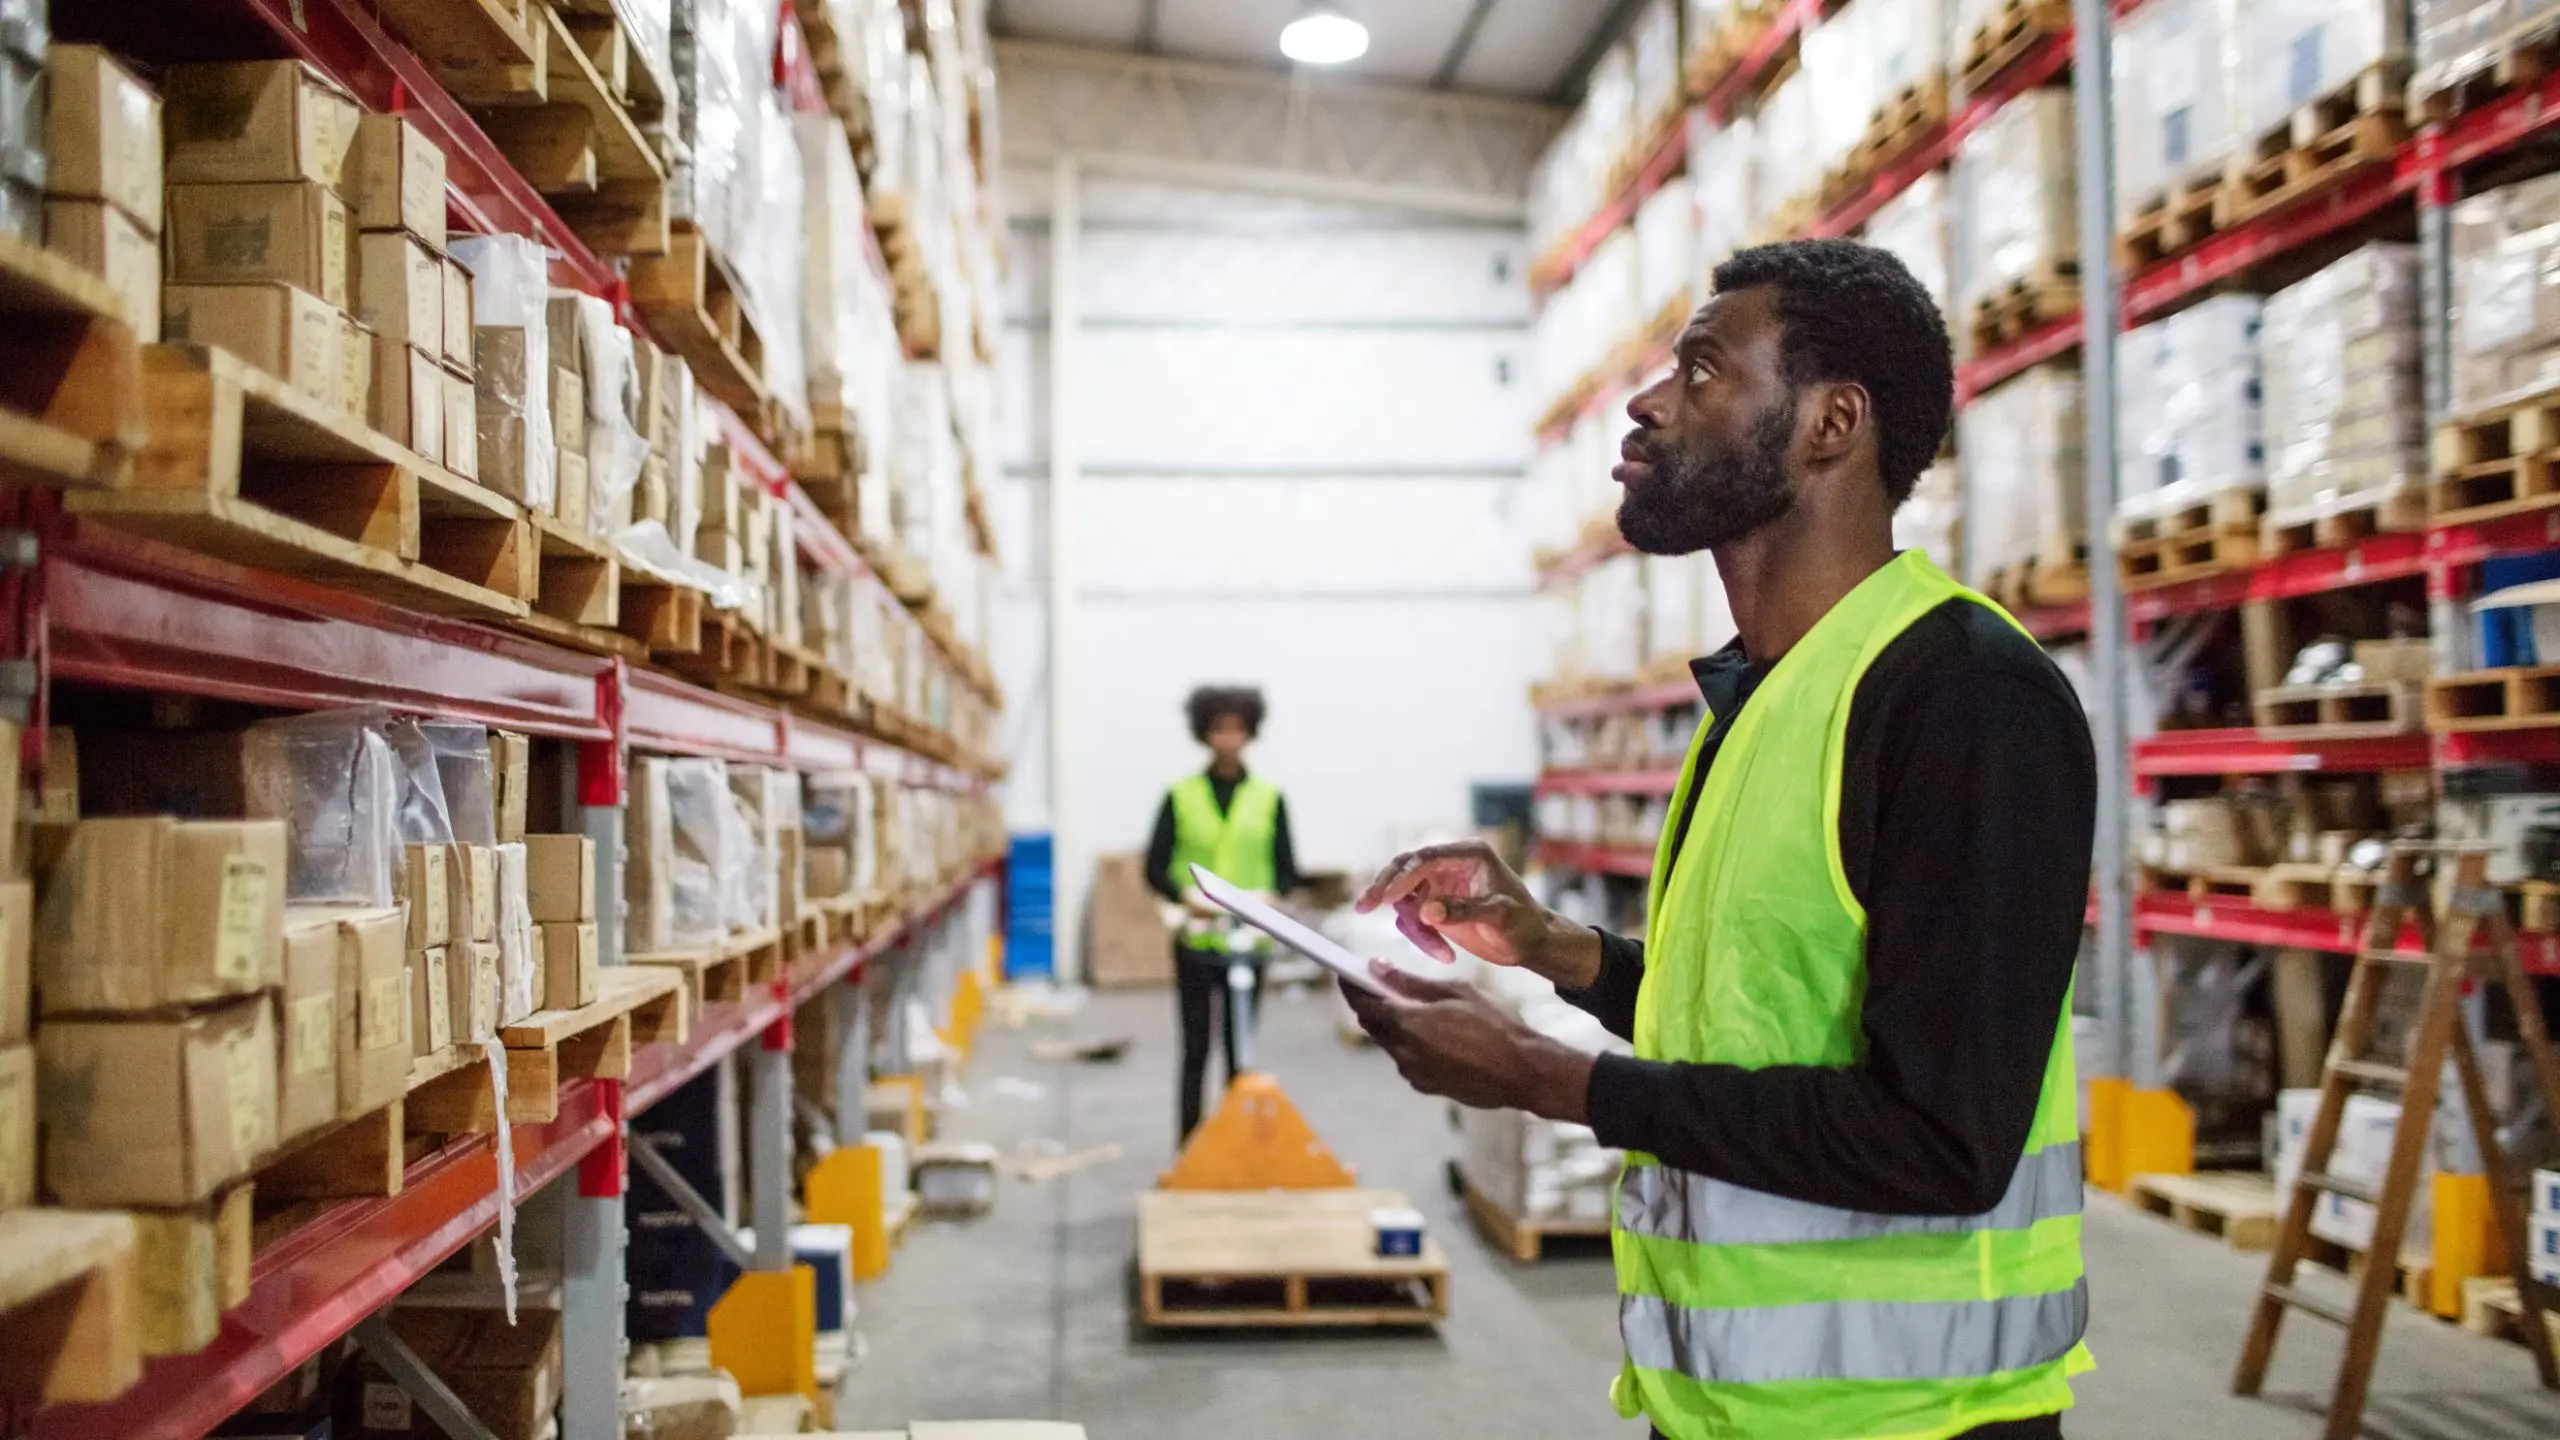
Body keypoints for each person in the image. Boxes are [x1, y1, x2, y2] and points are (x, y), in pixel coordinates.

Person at [1342, 239, 2097, 1440]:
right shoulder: (1766, 697)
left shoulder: (1966, 698)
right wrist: (1554, 950)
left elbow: (1942, 1139)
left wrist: (1546, 1078)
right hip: (1726, 1409)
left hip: (1915, 1418)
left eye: (1701, 372)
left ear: (1830, 423)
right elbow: (1746, 1020)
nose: (1646, 404)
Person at [1145, 684, 1302, 1142]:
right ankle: (1189, 1147)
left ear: (1249, 733)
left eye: (1236, 729)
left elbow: (1288, 870)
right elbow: (1154, 867)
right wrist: (1185, 897)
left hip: (1249, 941)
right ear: (1204, 733)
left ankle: (1237, 1145)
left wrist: (1267, 898)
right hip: (1196, 939)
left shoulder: (1269, 796)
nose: (1227, 739)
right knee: (1196, 1049)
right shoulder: (1181, 795)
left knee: (1242, 1051)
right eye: (1218, 729)